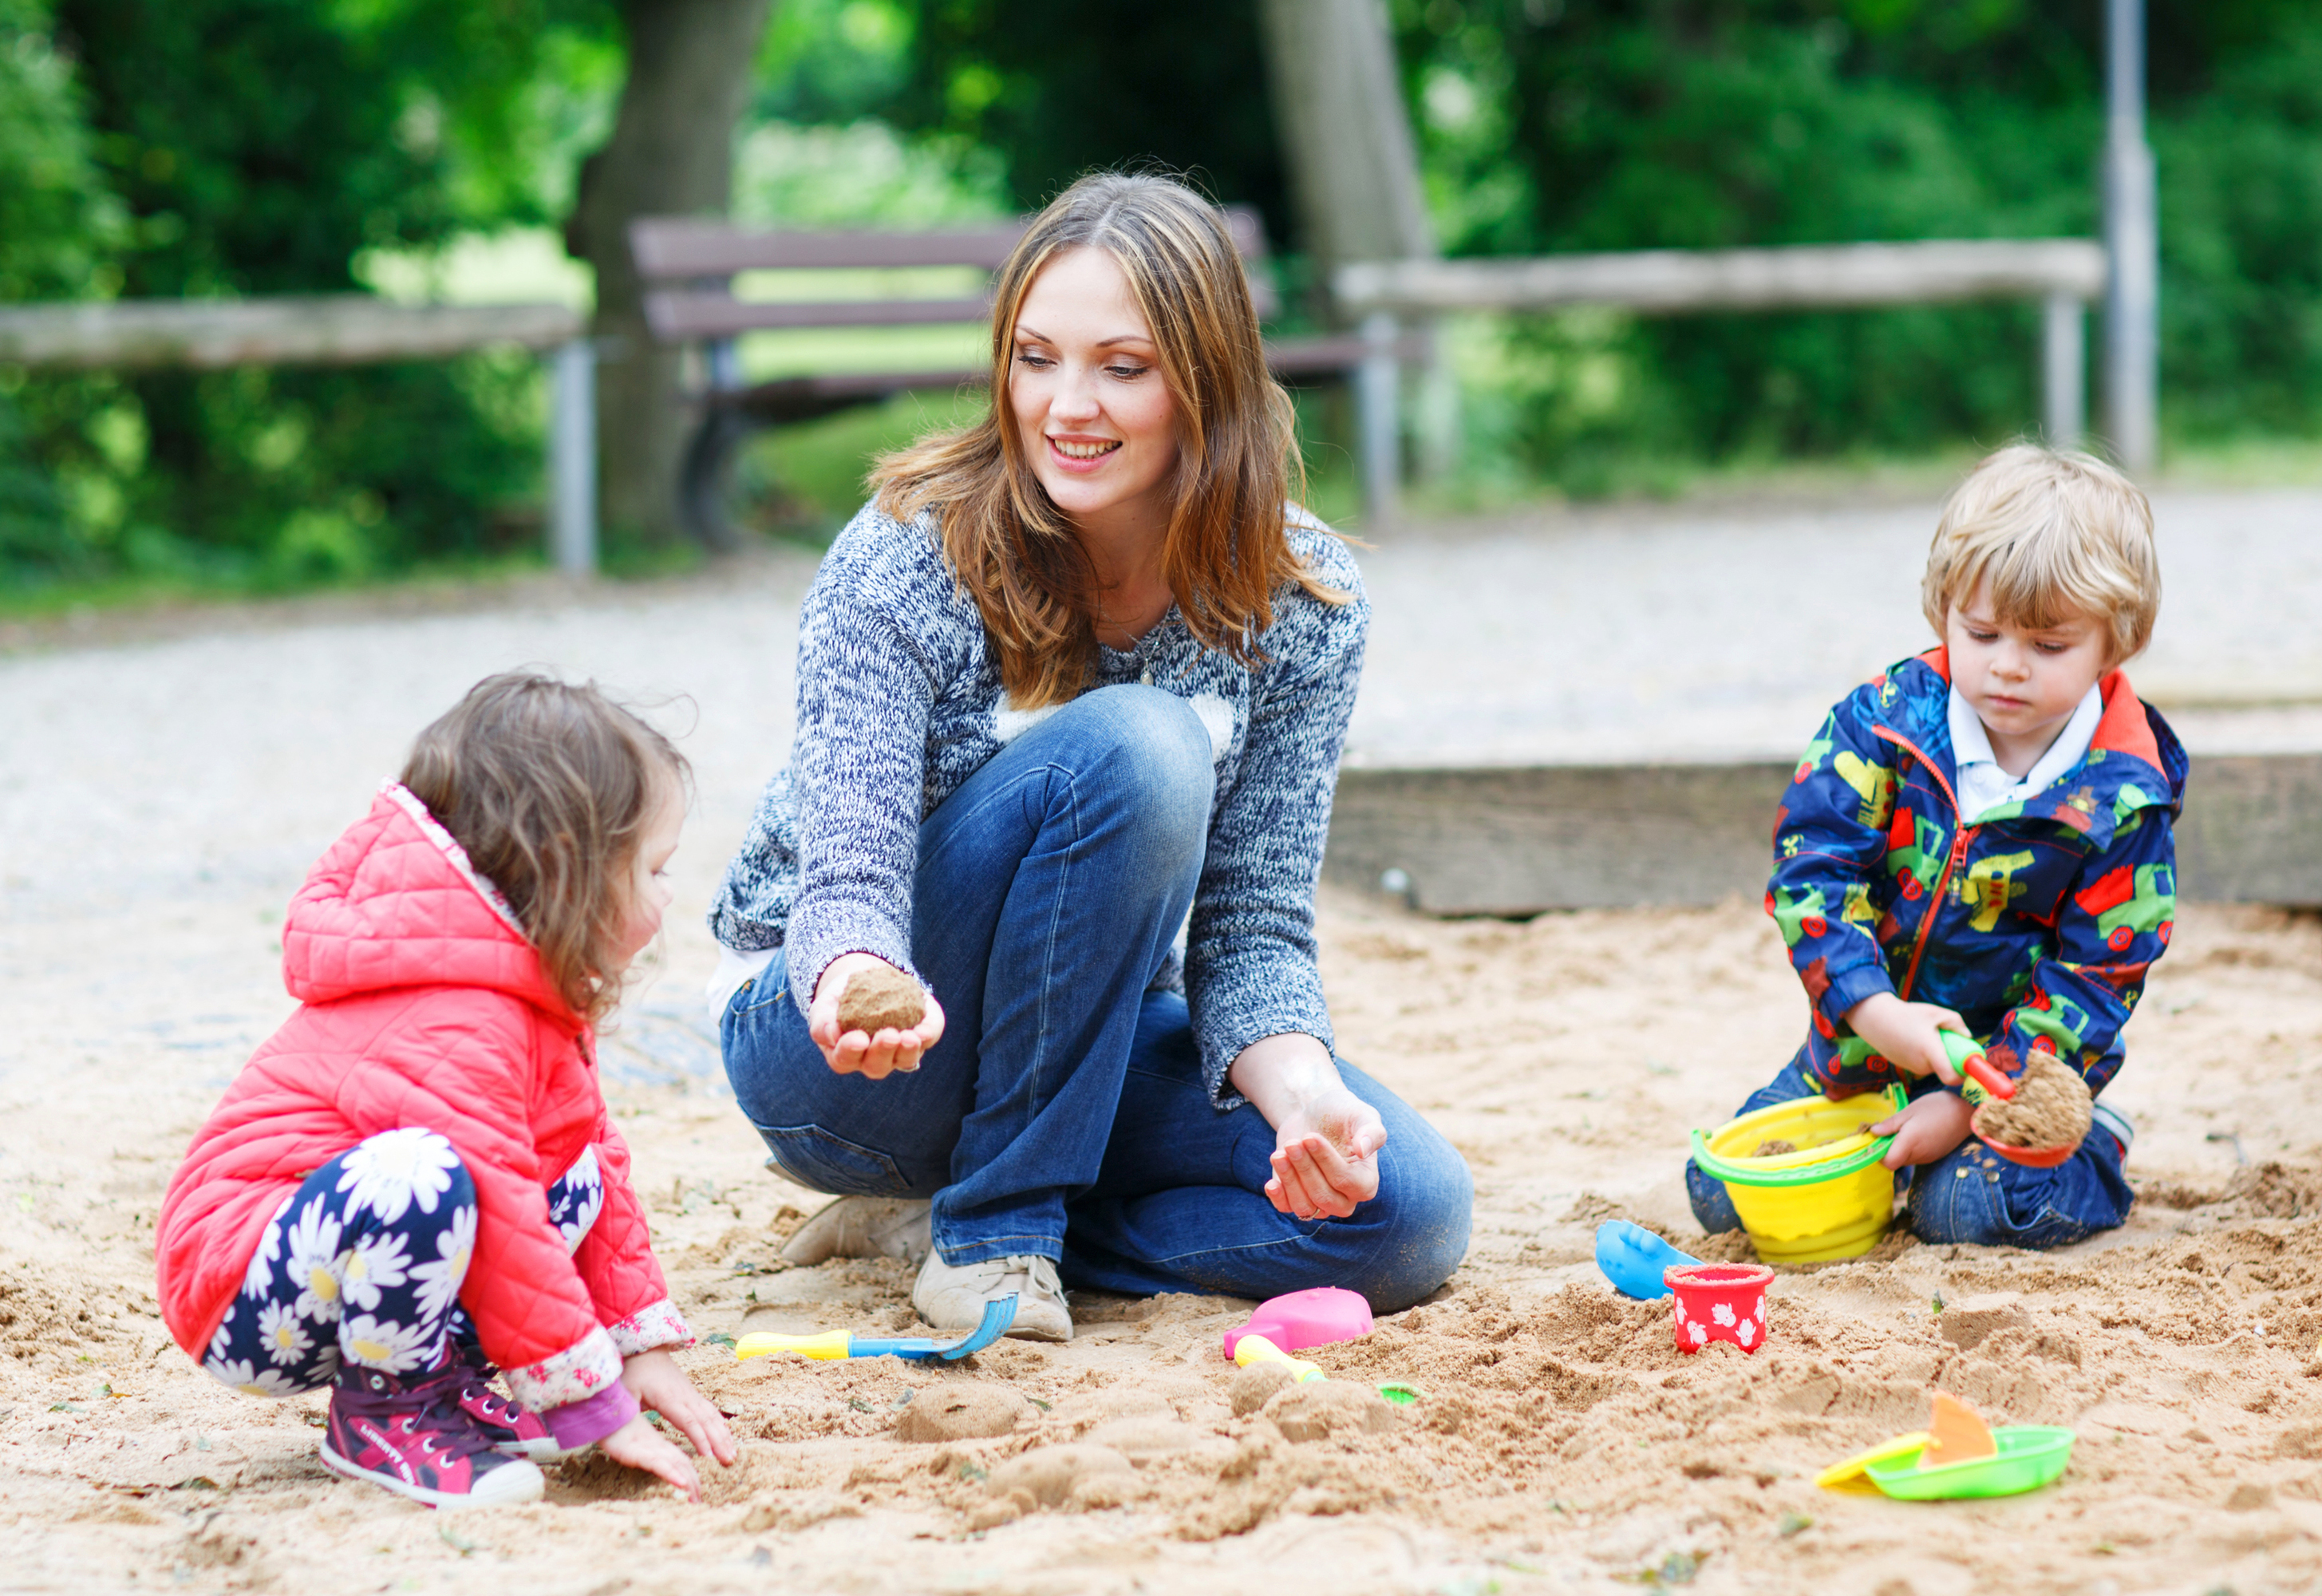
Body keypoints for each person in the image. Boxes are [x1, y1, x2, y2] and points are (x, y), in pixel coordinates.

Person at [706, 171, 1473, 1343]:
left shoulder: (1302, 603)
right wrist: (860, 976)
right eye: (1035, 358)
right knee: (1147, 742)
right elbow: (845, 867)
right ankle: (995, 1229)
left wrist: (1307, 1095)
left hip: (1083, 1036)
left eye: (1124, 366)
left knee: (1406, 1216)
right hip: (846, 1056)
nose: (1068, 404)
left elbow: (1252, 925)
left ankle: (953, 1222)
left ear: (1206, 383)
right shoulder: (910, 552)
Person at [156, 673, 736, 1509]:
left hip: (337, 1266)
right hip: (245, 1288)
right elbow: (496, 1202)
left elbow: (592, 1168)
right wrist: (595, 1405)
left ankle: (445, 1382)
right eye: (653, 868)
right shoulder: (457, 1011)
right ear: (566, 869)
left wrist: (634, 1347)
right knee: (429, 1175)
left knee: (572, 1168)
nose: (668, 893)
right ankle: (387, 1412)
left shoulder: (527, 986)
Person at [1687, 444, 2185, 1247]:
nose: (2007, 668)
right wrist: (1877, 1015)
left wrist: (1972, 1101)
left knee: (1959, 1209)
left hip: (2010, 1070)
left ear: (2114, 643)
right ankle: (1907, 1132)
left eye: (2049, 646)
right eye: (1981, 632)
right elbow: (1812, 871)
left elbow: (2099, 975)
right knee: (1722, 1192)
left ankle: (2093, 1145)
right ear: (1943, 608)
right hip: (1863, 1047)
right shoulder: (1884, 724)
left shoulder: (2122, 796)